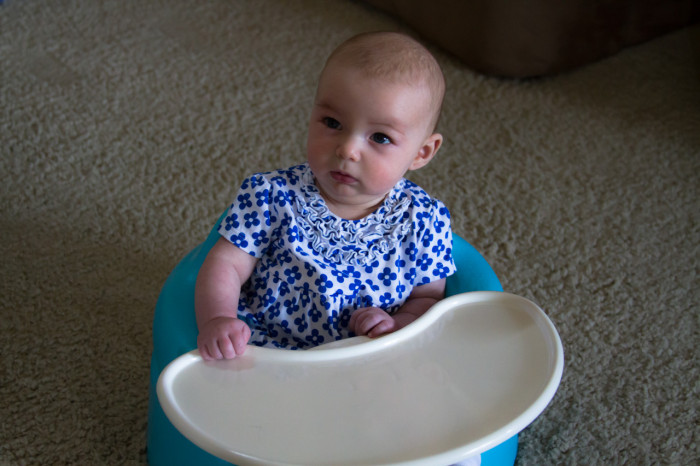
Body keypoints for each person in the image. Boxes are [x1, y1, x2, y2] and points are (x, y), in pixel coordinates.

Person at [195, 31, 455, 360]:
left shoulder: (424, 222)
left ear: (422, 152)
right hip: (266, 350)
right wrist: (219, 319)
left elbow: (428, 301)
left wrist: (395, 324)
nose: (347, 149)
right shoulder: (271, 195)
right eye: (332, 122)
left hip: (363, 363)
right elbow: (226, 266)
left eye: (380, 137)